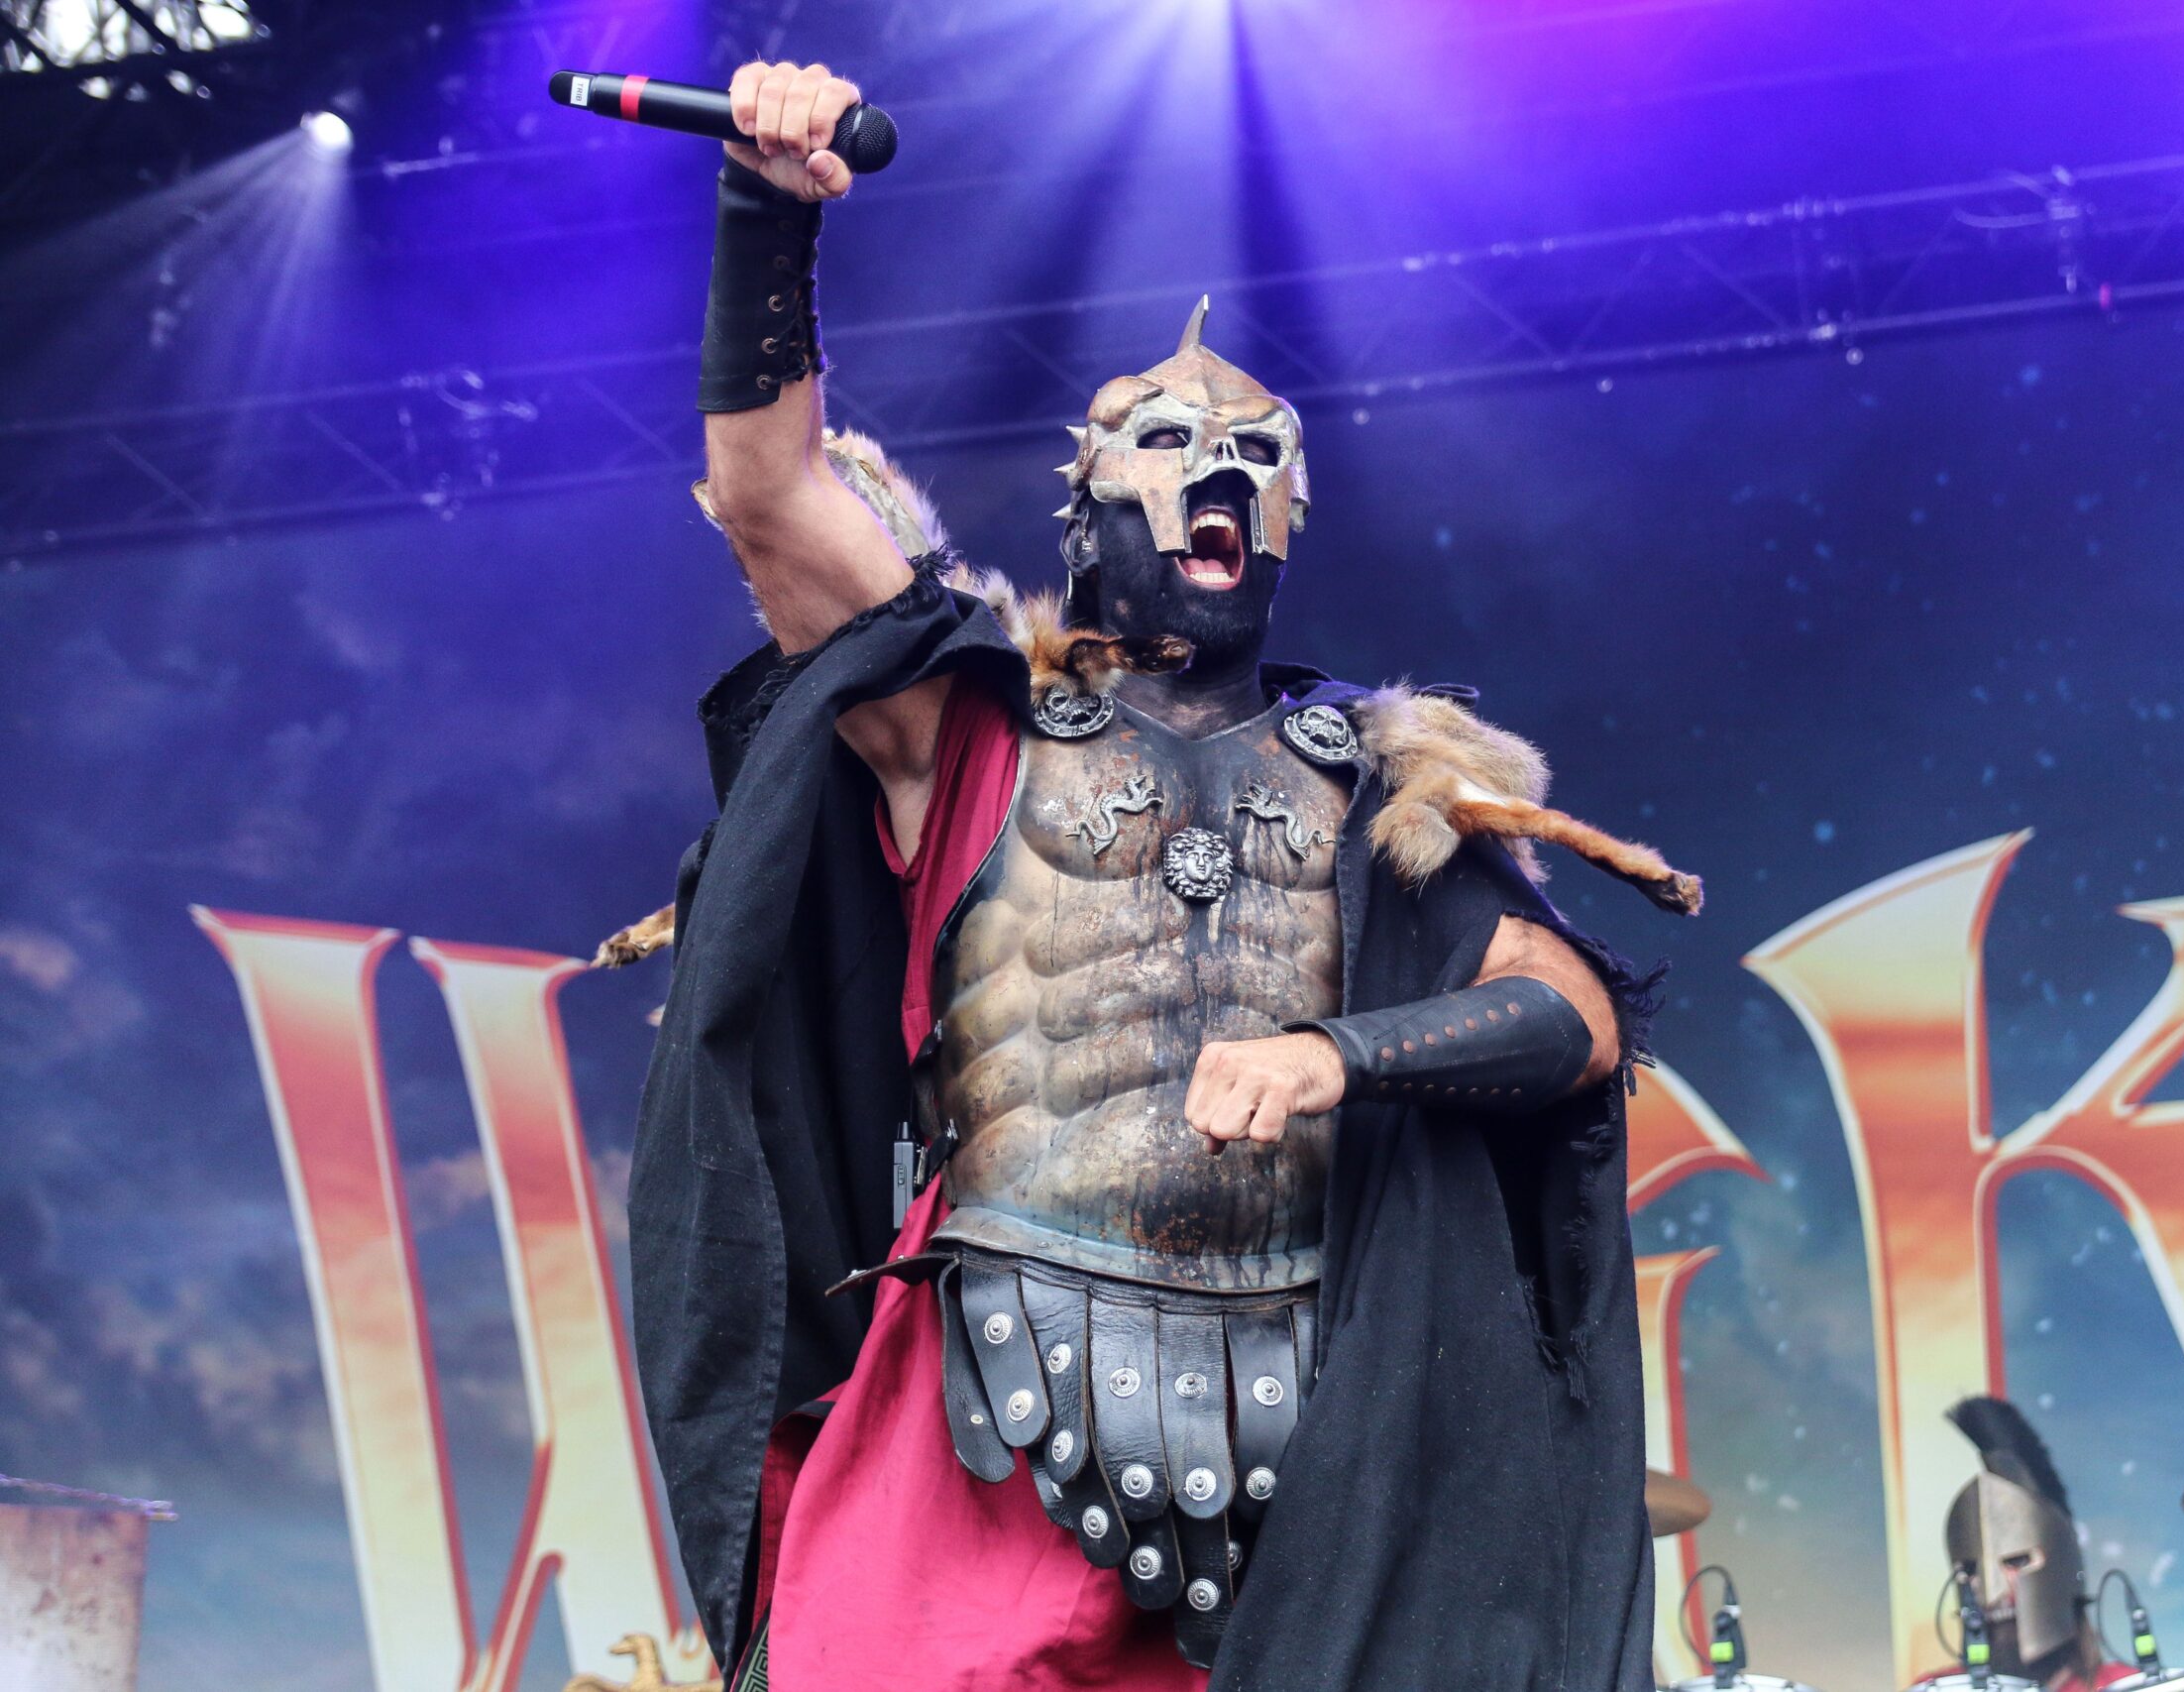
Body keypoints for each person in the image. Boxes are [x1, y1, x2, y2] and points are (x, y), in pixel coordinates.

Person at [611, 58, 1702, 1690]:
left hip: (1312, 1446)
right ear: (1090, 501)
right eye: (1174, 438)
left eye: (1259, 450)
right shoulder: (966, 725)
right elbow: (771, 498)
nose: (1223, 468)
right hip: (990, 1406)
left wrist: (1338, 1051)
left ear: (1291, 515)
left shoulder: (1378, 785)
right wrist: (765, 206)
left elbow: (1578, 1016)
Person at [1936, 1398, 2131, 1692]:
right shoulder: (1941, 1689)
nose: (1993, 1590)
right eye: (1971, 1569)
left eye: (2016, 1561)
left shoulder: (2124, 1687)